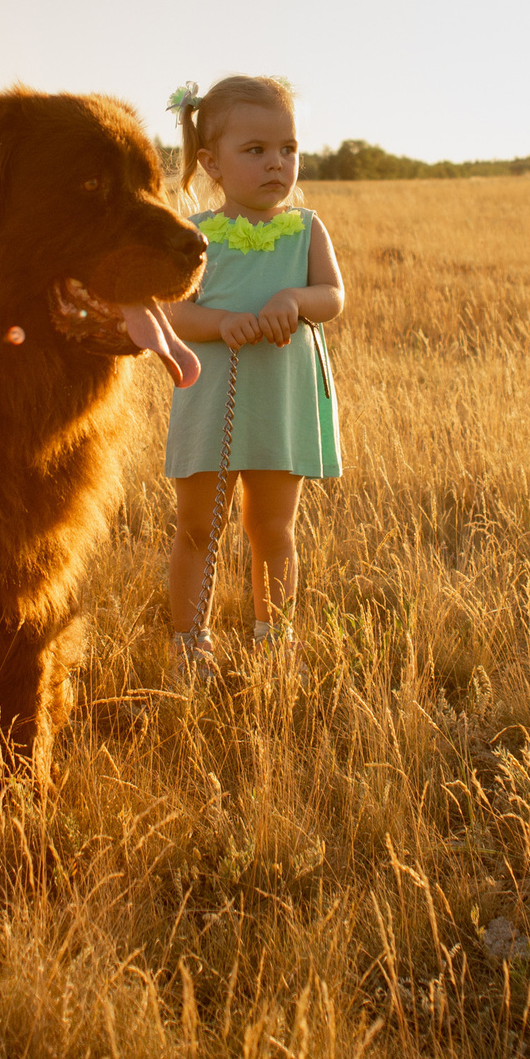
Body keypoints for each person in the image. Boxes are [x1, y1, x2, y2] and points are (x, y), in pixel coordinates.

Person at [159, 75, 345, 683]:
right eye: (256, 150)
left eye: (288, 149)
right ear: (210, 162)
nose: (277, 164)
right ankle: (190, 647)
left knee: (273, 527)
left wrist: (295, 297)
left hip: (278, 404)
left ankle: (276, 644)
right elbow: (171, 312)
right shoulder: (196, 239)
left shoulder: (306, 229)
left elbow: (333, 297)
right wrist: (221, 322)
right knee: (197, 527)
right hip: (212, 398)